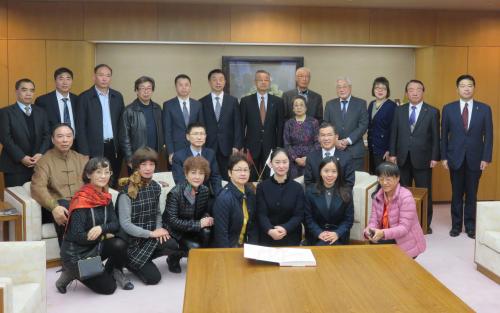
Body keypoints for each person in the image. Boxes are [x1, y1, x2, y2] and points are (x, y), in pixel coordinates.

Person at [56, 157, 129, 295]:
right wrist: (105, 235)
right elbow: (78, 236)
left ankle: (106, 270)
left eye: (107, 172)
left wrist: (101, 228)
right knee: (109, 288)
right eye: (98, 172)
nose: (103, 176)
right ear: (89, 174)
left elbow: (115, 224)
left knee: (120, 243)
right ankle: (70, 272)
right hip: (77, 255)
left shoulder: (105, 197)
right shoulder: (81, 201)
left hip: (94, 247)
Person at [117, 147, 181, 285]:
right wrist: (152, 234)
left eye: (151, 164)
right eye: (143, 164)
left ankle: (145, 259)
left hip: (149, 236)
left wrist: (158, 230)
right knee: (154, 279)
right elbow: (126, 224)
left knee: (173, 245)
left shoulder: (155, 187)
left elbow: (157, 212)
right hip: (133, 242)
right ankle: (129, 262)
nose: (148, 168)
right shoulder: (126, 192)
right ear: (136, 166)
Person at [441, 74, 493, 239]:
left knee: (472, 193)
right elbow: (444, 135)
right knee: (456, 193)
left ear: (474, 88)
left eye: (469, 85)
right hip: (454, 157)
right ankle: (456, 226)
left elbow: (489, 136)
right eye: (463, 85)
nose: (466, 88)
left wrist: (486, 158)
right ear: (457, 89)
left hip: (475, 159)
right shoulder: (448, 108)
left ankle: (470, 226)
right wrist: (444, 157)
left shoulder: (484, 109)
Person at [389, 79, 439, 233]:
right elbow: (394, 133)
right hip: (402, 157)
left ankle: (425, 224)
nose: (415, 92)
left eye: (418, 89)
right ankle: (404, 223)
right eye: (411, 89)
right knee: (403, 193)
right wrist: (392, 154)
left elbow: (436, 137)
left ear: (423, 92)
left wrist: (435, 157)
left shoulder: (432, 111)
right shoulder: (399, 110)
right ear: (406, 93)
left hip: (424, 158)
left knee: (425, 192)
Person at [31, 123, 88, 247]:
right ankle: (68, 261)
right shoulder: (44, 161)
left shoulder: (82, 159)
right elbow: (37, 187)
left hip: (81, 204)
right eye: (60, 136)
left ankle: (89, 257)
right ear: (53, 139)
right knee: (64, 207)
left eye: (68, 136)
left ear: (73, 138)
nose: (65, 140)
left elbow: (94, 182)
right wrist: (54, 207)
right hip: (58, 207)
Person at [364, 162, 426, 258]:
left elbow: (404, 228)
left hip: (406, 241)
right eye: (381, 179)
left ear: (397, 178)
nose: (384, 183)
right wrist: (369, 230)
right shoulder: (378, 196)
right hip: (386, 236)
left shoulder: (406, 197)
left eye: (388, 179)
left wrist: (383, 233)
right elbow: (373, 220)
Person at [77, 64, 125, 187]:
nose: (104, 78)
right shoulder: (84, 97)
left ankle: (111, 204)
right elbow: (80, 127)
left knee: (112, 179)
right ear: (94, 77)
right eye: (101, 75)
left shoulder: (117, 97)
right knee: (95, 181)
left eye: (108, 76)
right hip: (94, 148)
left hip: (114, 147)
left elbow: (122, 124)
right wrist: (84, 152)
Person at [162, 156, 213, 273]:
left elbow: (203, 210)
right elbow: (173, 221)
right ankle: (173, 258)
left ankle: (200, 260)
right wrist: (199, 224)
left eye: (201, 173)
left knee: (207, 232)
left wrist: (206, 217)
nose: (197, 177)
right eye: (193, 173)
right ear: (186, 174)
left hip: (192, 225)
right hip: (175, 230)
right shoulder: (175, 193)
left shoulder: (204, 190)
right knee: (195, 247)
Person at [0, 78, 50, 187]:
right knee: (17, 201)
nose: (28, 94)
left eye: (31, 90)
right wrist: (22, 157)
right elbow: (5, 138)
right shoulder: (5, 112)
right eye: (24, 90)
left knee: (37, 200)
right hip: (14, 166)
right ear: (16, 91)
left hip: (38, 164)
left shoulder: (41, 112)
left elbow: (47, 135)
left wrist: (40, 154)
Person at [240, 70, 284, 181]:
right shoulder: (246, 101)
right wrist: (243, 146)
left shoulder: (278, 101)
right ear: (255, 82)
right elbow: (241, 125)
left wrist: (278, 146)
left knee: (270, 176)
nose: (263, 82)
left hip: (271, 146)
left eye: (266, 80)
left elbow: (280, 126)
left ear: (269, 82)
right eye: (260, 80)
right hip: (251, 146)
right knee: (251, 176)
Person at [199, 69, 243, 181]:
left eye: (221, 79)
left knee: (227, 175)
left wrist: (237, 145)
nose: (218, 82)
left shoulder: (233, 101)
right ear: (209, 82)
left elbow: (237, 124)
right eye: (214, 80)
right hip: (208, 145)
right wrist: (201, 145)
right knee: (208, 175)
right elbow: (201, 125)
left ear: (225, 82)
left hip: (228, 146)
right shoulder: (202, 102)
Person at [256, 148, 304, 247]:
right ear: (271, 163)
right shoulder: (262, 187)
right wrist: (270, 230)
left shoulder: (297, 188)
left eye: (284, 162)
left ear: (289, 163)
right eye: (277, 162)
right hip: (267, 236)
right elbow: (261, 214)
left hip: (291, 236)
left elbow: (298, 215)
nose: (281, 166)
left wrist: (285, 228)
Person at [119, 76, 164, 173]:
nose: (146, 91)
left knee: (153, 184)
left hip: (154, 156)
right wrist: (129, 158)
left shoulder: (157, 108)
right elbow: (124, 137)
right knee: (137, 185)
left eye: (149, 88)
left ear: (152, 90)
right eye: (142, 88)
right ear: (136, 91)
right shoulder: (129, 110)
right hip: (137, 157)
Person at [304, 157, 354, 245]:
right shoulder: (310, 191)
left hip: (339, 237)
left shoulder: (346, 192)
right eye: (326, 171)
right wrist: (319, 233)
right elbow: (308, 218)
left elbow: (348, 220)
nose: (330, 175)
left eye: (334, 171)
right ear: (320, 172)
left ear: (338, 173)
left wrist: (337, 233)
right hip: (316, 237)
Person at [212, 154, 258, 248]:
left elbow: (253, 226)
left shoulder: (250, 193)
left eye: (246, 170)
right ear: (229, 173)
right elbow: (221, 235)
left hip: (246, 247)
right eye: (238, 170)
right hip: (229, 249)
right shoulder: (224, 198)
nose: (243, 173)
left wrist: (253, 249)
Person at [324, 76, 368, 171]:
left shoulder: (361, 103)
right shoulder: (330, 104)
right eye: (339, 87)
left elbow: (363, 125)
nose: (341, 89)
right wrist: (335, 141)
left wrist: (348, 140)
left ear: (350, 88)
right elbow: (325, 126)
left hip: (355, 153)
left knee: (356, 182)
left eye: (344, 86)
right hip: (335, 151)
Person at [172, 122, 222, 200]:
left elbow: (215, 177)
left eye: (202, 134)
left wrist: (219, 196)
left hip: (207, 197)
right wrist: (193, 200)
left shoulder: (210, 154)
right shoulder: (178, 156)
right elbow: (180, 181)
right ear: (188, 137)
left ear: (205, 136)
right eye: (195, 134)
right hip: (187, 199)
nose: (199, 137)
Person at [162, 74, 204, 166]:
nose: (184, 88)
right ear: (176, 87)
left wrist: (201, 149)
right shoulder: (168, 105)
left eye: (186, 85)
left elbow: (201, 128)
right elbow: (167, 130)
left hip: (194, 147)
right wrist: (170, 152)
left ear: (190, 87)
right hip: (176, 148)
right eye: (180, 85)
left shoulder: (197, 104)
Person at [35, 67, 78, 148]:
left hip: (75, 145)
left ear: (72, 81)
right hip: (52, 146)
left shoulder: (78, 100)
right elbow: (39, 127)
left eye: (68, 79)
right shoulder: (43, 101)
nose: (65, 82)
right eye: (61, 78)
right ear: (55, 81)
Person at [304, 122, 354, 189]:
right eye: (323, 135)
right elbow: (308, 183)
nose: (326, 138)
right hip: (316, 196)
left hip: (340, 196)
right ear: (318, 138)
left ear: (336, 137)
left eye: (329, 135)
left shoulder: (346, 157)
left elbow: (349, 184)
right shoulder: (311, 157)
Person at [283, 95, 320, 178]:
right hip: (293, 161)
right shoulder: (289, 123)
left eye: (301, 105)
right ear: (293, 108)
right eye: (296, 105)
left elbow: (318, 143)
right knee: (294, 186)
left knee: (309, 185)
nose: (298, 107)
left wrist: (307, 158)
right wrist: (296, 159)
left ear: (306, 107)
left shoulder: (314, 122)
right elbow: (286, 144)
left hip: (310, 159)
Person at [367, 77, 397, 174]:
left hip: (384, 150)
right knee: (373, 177)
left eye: (383, 88)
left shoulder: (392, 106)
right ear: (373, 90)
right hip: (372, 147)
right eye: (377, 88)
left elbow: (394, 130)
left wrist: (389, 150)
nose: (380, 90)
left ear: (387, 90)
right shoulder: (371, 104)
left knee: (383, 177)